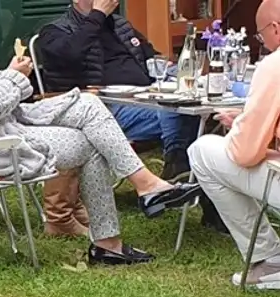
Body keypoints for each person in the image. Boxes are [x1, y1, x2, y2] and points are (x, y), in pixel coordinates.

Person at [0, 0, 204, 265]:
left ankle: (146, 189)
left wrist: (8, 74)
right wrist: (14, 78)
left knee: (88, 105)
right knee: (91, 141)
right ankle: (112, 238)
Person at [34, 0, 202, 177]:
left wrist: (173, 71)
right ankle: (177, 169)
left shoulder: (120, 25)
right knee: (174, 107)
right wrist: (96, 16)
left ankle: (187, 167)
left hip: (145, 98)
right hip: (103, 112)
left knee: (189, 104)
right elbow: (70, 55)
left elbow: (151, 58)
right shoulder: (54, 31)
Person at [188, 0, 280, 288]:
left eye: (260, 34)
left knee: (203, 151)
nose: (261, 42)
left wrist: (248, 130)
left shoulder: (274, 65)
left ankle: (268, 258)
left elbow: (244, 153)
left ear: (275, 28)